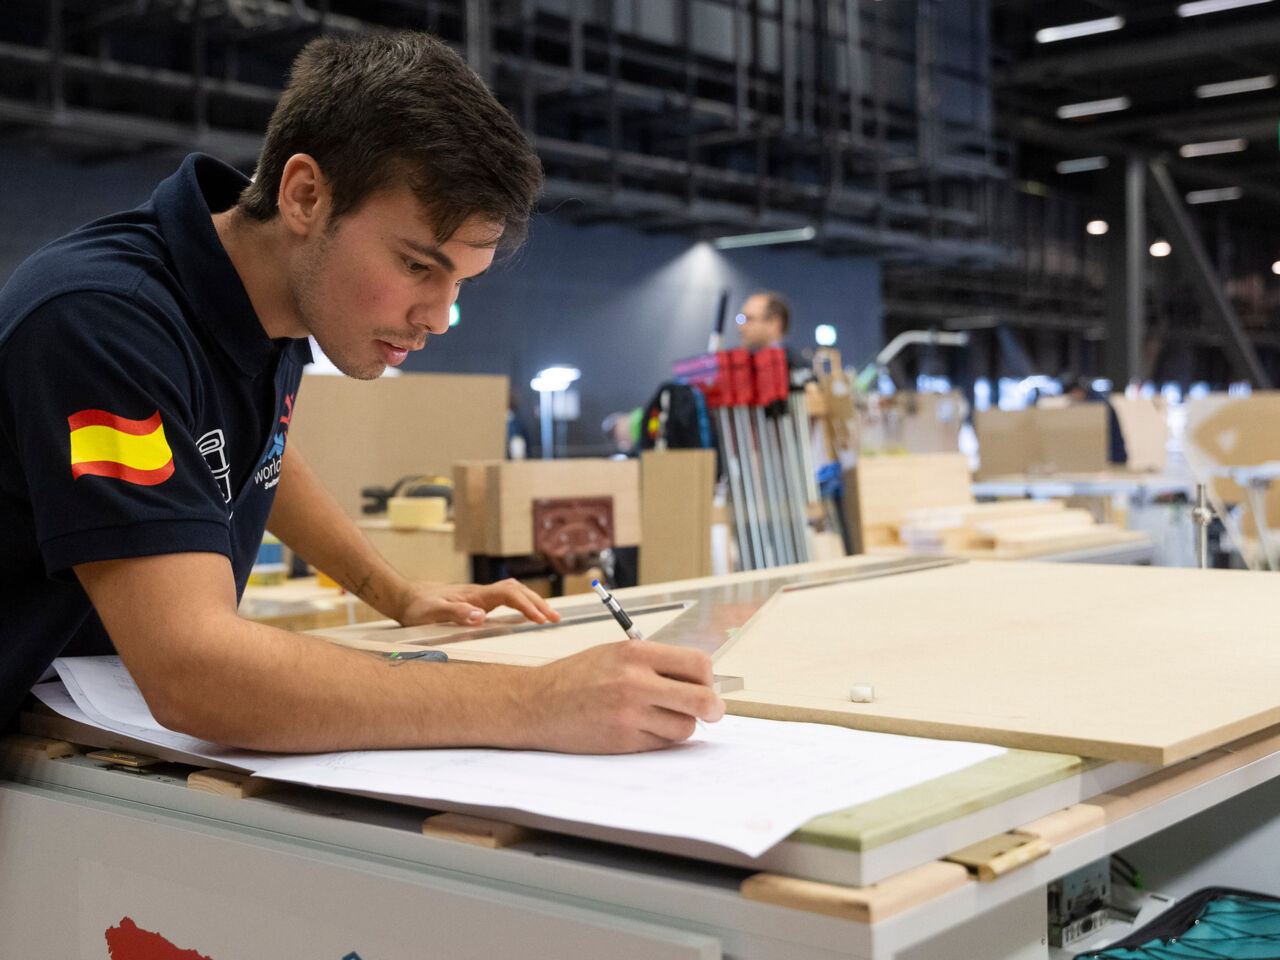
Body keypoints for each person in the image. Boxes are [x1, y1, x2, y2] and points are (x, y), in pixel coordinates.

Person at [0, 32, 723, 754]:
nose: (439, 317)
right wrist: (541, 700)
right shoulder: (101, 321)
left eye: (459, 285)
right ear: (306, 195)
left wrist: (396, 591)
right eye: (417, 266)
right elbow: (192, 671)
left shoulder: (264, 302)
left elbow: (258, 457)